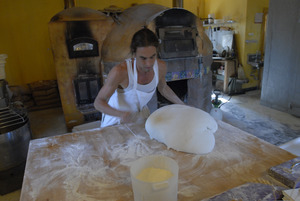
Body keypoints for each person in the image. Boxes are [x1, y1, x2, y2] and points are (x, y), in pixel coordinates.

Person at [94, 27, 184, 127]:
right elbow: (98, 102)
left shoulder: (160, 67)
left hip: (139, 116)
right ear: (134, 54)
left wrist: (183, 105)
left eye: (152, 56)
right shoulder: (120, 72)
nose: (149, 63)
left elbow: (163, 88)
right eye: (143, 58)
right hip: (116, 120)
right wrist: (121, 114)